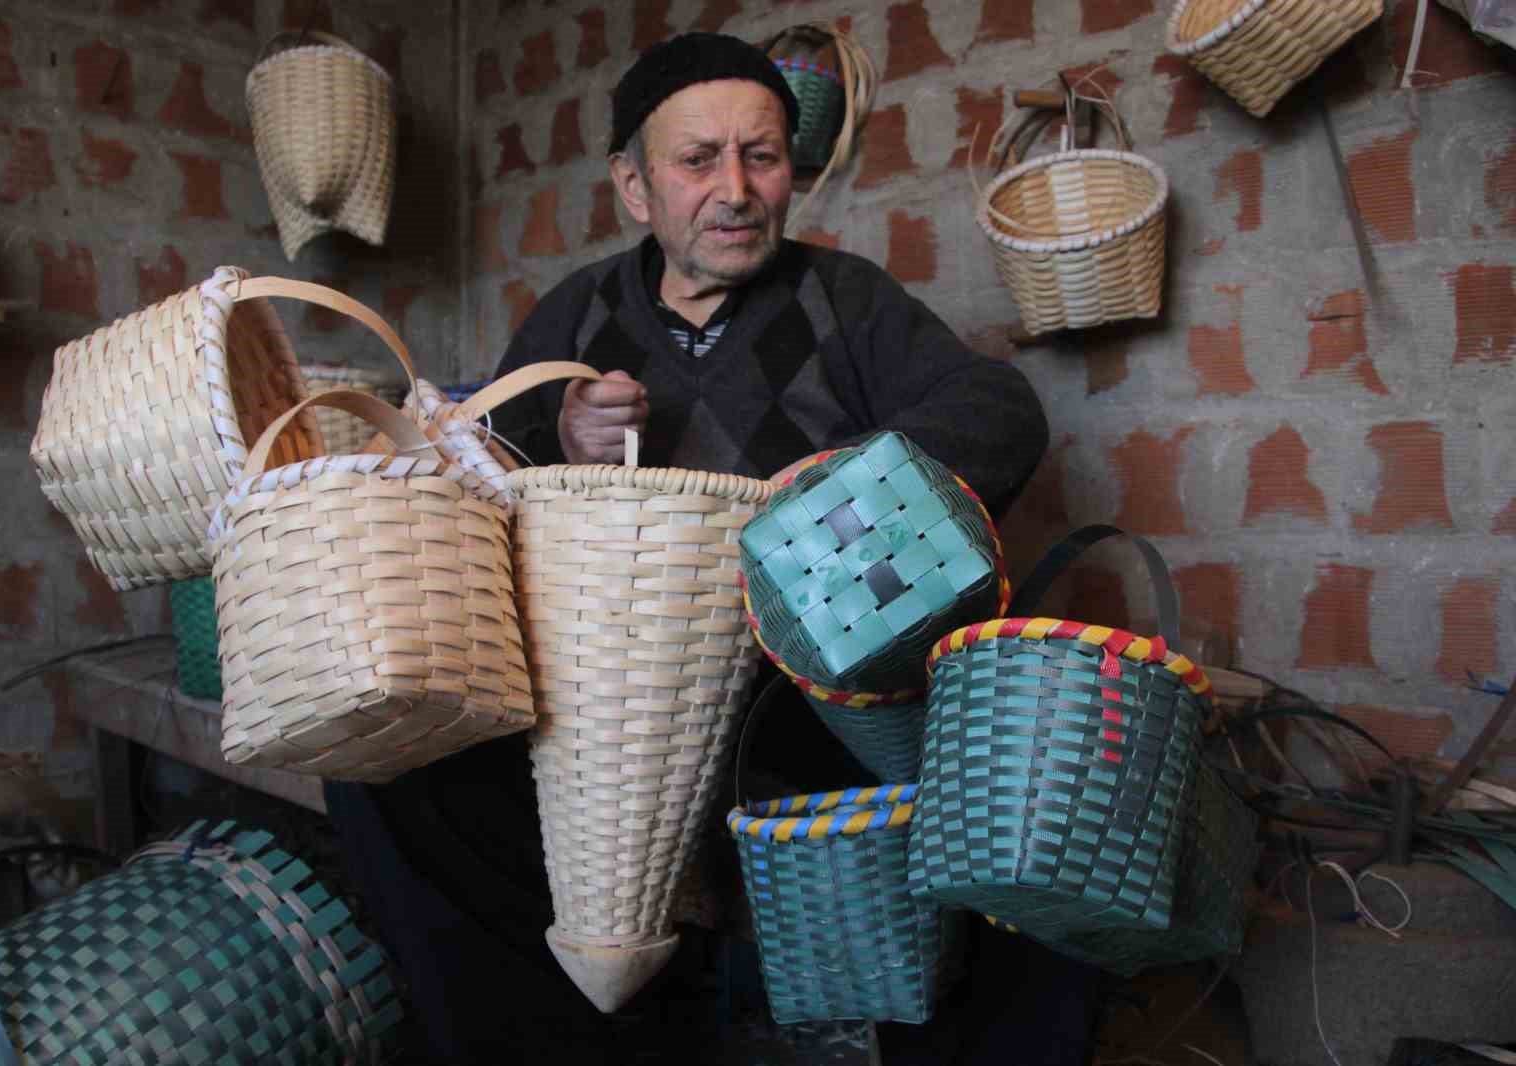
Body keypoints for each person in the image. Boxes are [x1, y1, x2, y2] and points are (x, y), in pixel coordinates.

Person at [325, 32, 1095, 1066]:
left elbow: (997, 410)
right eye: (698, 161)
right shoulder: (577, 314)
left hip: (794, 717)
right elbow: (474, 482)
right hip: (591, 727)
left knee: (1037, 831)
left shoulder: (845, 301)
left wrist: (843, 494)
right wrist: (558, 434)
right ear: (634, 186)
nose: (735, 190)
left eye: (762, 156)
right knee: (385, 781)